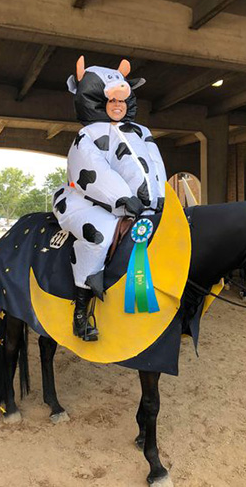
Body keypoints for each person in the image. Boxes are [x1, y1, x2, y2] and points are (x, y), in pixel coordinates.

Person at [53, 57, 166, 341]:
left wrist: (161, 196)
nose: (118, 106)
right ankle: (81, 311)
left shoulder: (143, 132)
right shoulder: (86, 135)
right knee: (100, 236)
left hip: (141, 207)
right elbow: (92, 172)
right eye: (111, 101)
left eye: (122, 102)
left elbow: (155, 164)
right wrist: (123, 199)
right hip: (89, 202)